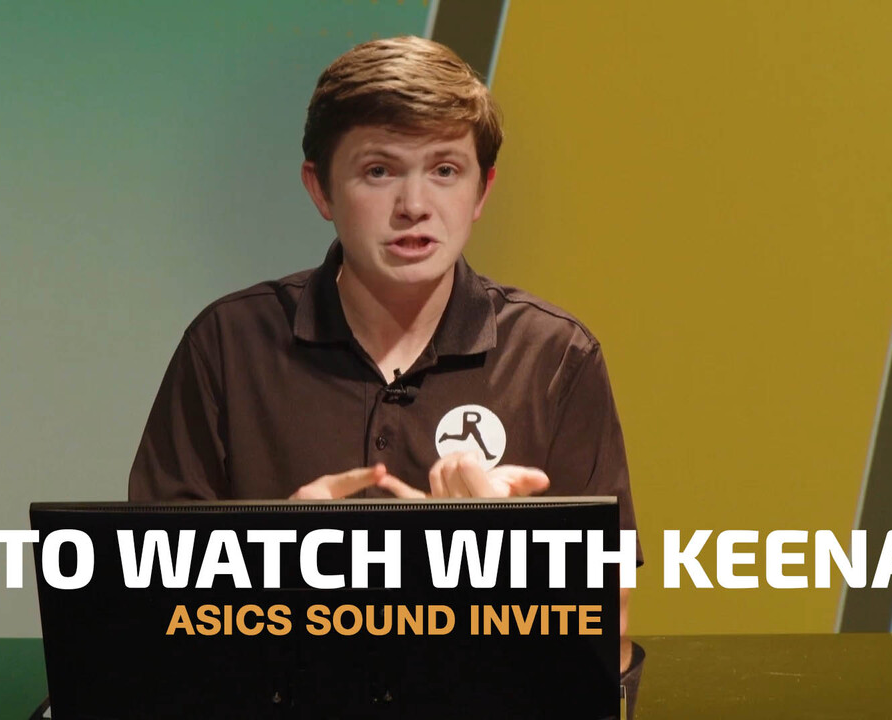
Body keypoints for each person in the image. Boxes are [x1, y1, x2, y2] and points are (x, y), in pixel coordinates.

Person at [129, 35, 639, 673]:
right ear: (321, 190)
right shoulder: (227, 345)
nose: (414, 207)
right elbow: (144, 617)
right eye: (379, 171)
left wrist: (499, 560)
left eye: (445, 170)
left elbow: (608, 638)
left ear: (482, 191)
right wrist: (274, 560)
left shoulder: (555, 356)